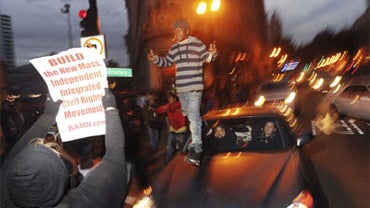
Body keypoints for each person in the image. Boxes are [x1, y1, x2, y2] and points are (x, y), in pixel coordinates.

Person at [0, 88, 128, 208]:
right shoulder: (84, 202)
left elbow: (15, 153)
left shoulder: (4, 198)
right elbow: (115, 157)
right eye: (55, 152)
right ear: (63, 177)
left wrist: (48, 116)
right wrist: (110, 108)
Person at [147, 18, 218, 166]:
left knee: (192, 117)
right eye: (175, 31)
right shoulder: (174, 49)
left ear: (186, 31)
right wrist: (154, 59)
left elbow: (208, 58)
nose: (177, 33)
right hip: (181, 89)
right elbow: (166, 62)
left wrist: (213, 53)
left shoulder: (197, 43)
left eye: (179, 30)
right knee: (188, 115)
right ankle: (205, 126)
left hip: (194, 87)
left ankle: (196, 150)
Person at [156, 91, 187, 161]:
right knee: (169, 148)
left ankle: (179, 164)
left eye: (171, 98)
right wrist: (155, 110)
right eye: (169, 99)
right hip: (172, 131)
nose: (169, 100)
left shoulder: (180, 105)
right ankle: (167, 163)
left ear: (175, 99)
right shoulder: (168, 106)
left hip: (181, 132)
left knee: (181, 149)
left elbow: (177, 107)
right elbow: (160, 110)